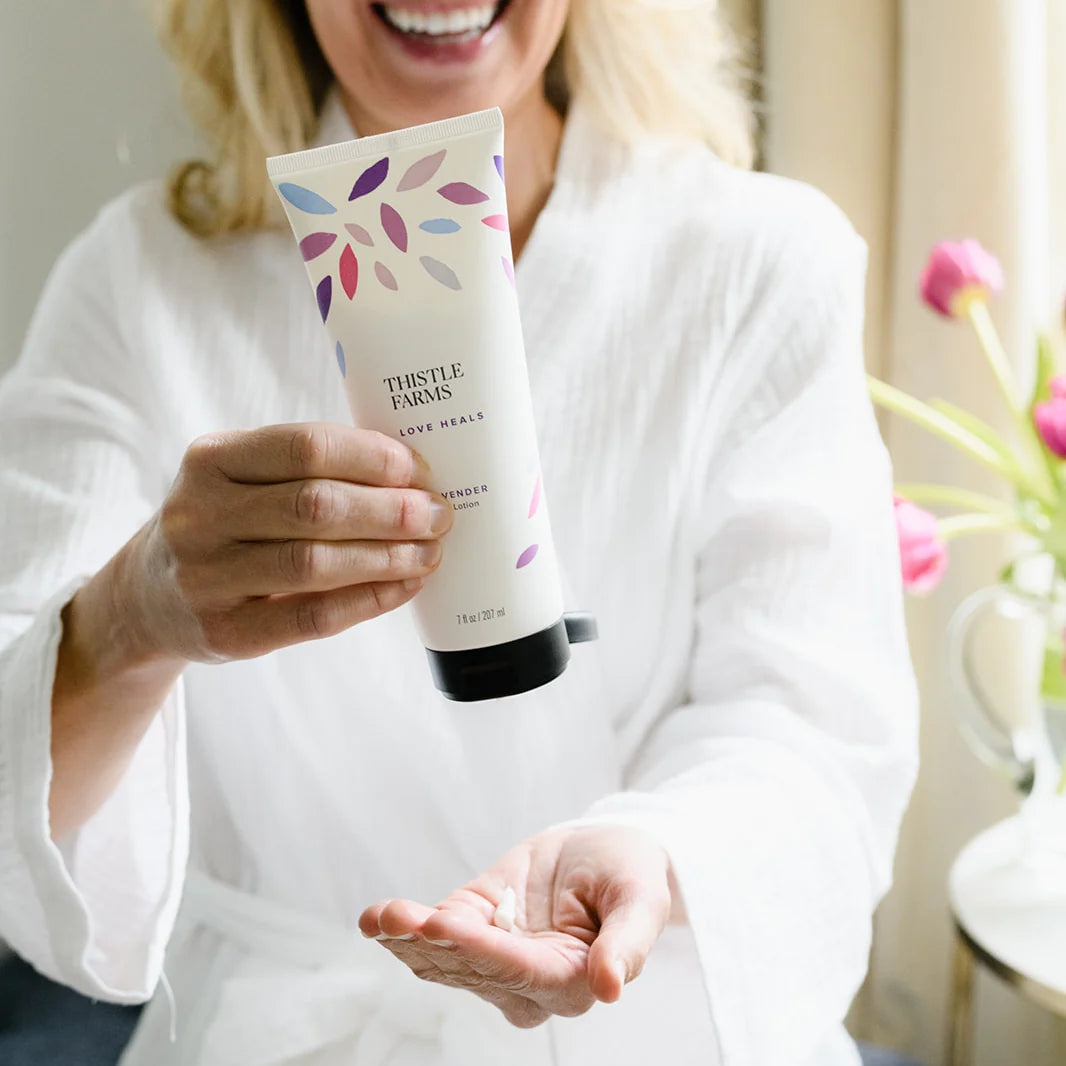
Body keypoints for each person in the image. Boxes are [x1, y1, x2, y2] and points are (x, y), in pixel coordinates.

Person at [0, 1, 919, 1064]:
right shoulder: (140, 286)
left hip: (654, 1026)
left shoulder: (756, 266)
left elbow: (812, 732)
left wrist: (656, 854)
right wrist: (127, 616)